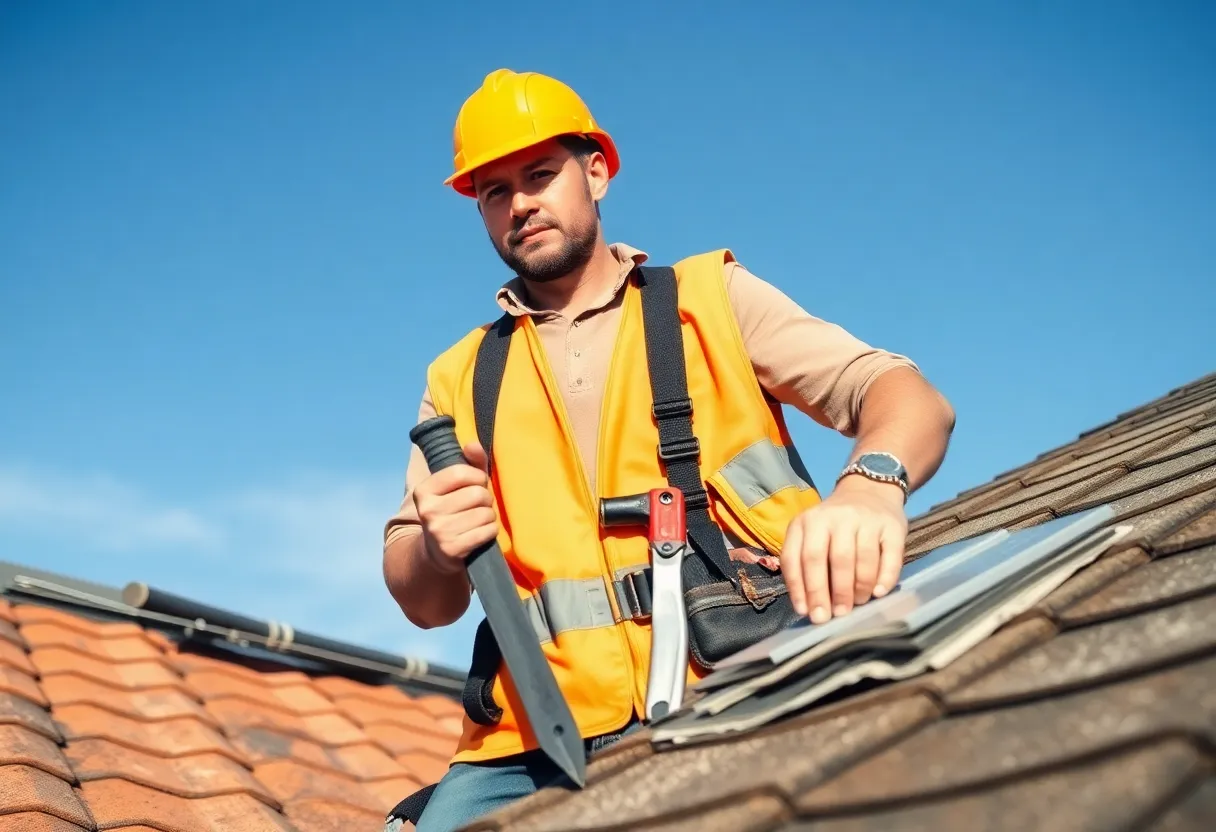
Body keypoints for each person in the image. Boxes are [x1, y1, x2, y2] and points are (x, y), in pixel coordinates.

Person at [381, 69, 955, 832]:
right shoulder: (456, 379)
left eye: (540, 175)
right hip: (524, 745)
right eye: (494, 191)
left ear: (597, 172)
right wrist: (435, 550)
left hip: (743, 673)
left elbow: (905, 397)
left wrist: (869, 484)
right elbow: (422, 600)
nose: (520, 204)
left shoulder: (710, 301)